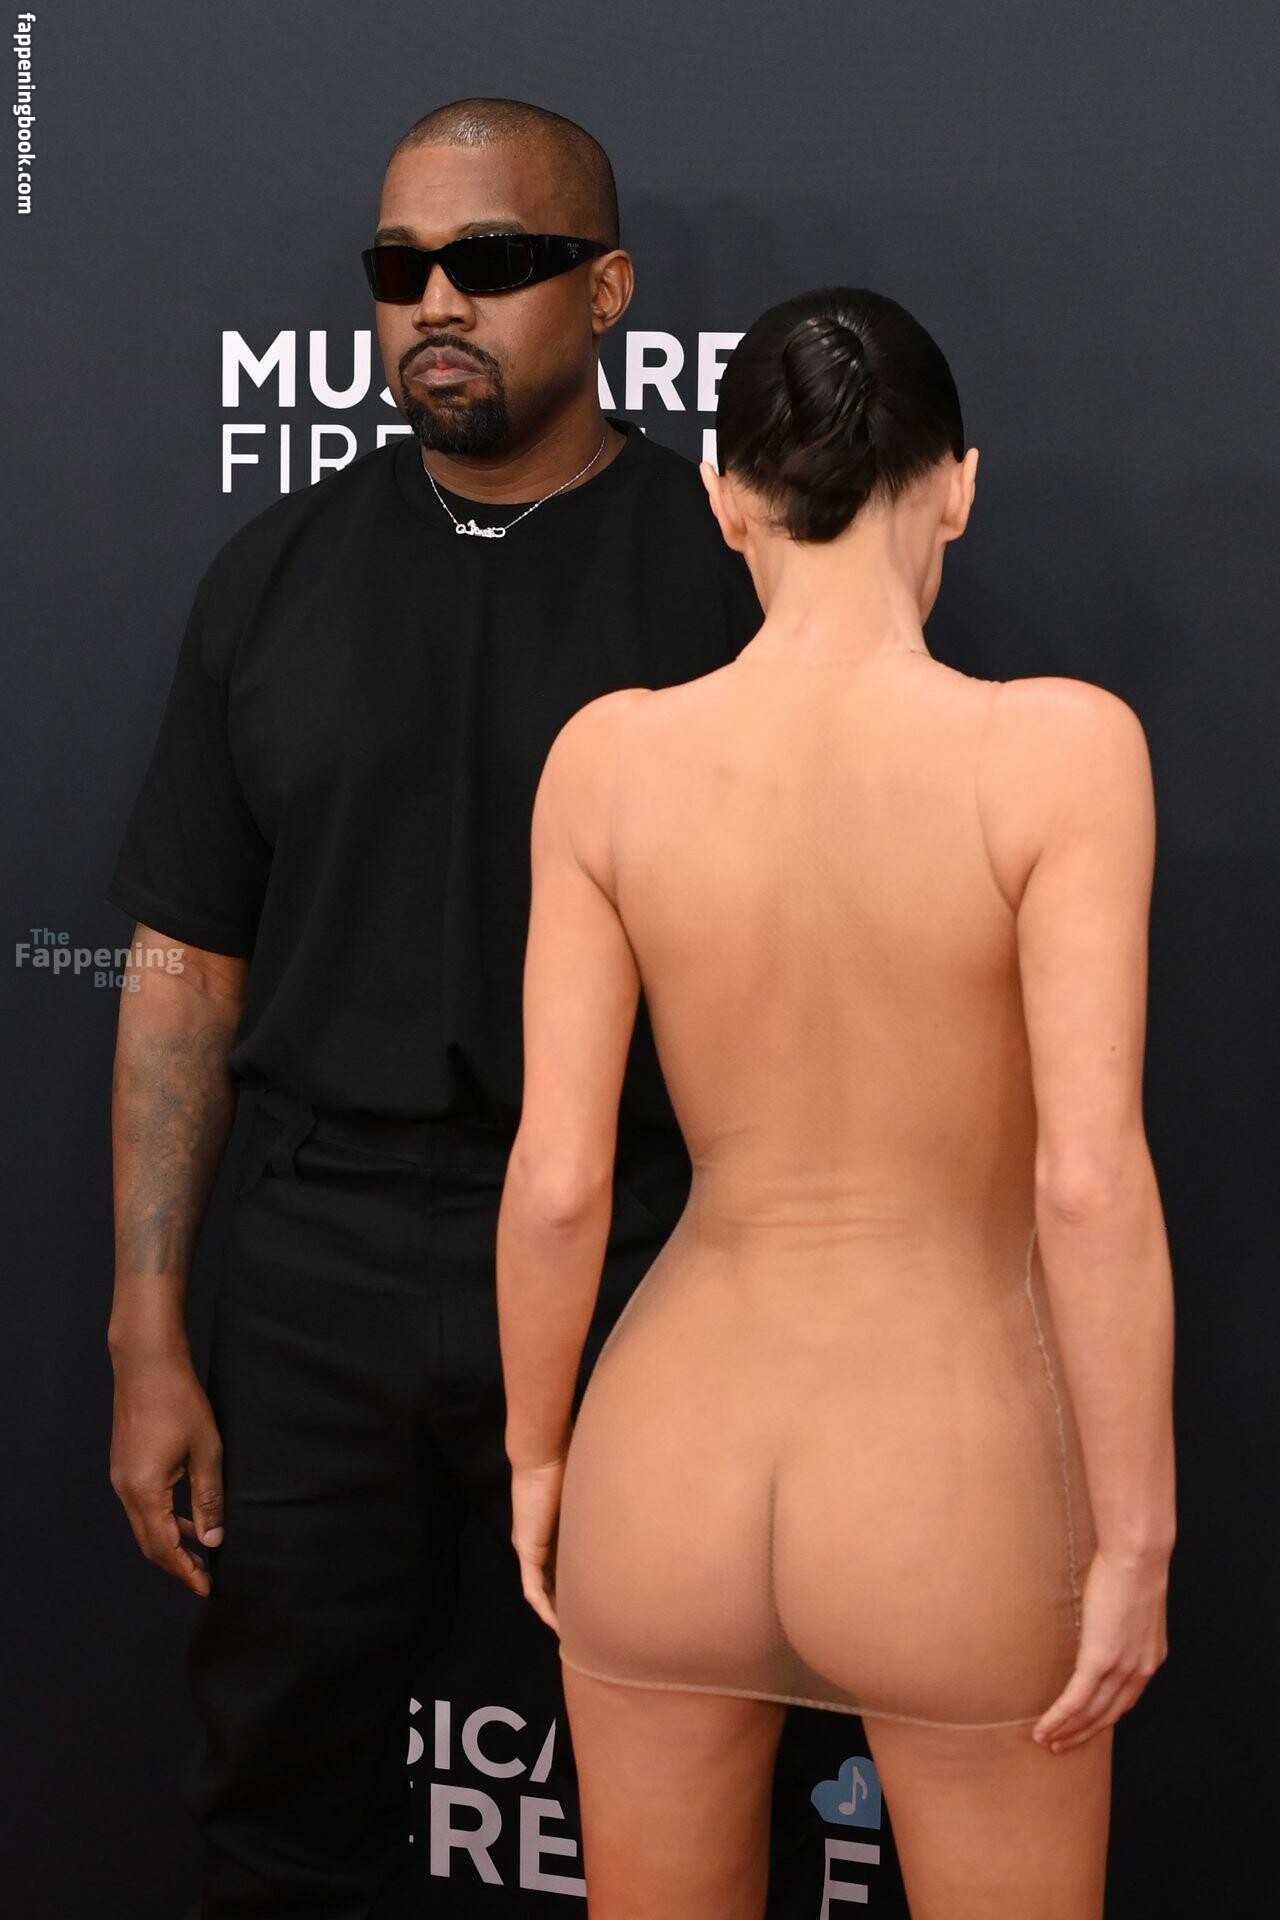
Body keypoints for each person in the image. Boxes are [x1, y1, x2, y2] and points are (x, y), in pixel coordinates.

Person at [104, 98, 761, 1917]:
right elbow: (184, 970)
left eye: (495, 260)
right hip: (313, 1263)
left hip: (643, 1259)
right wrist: (148, 1327)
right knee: (277, 1792)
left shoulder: (728, 576)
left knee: (699, 1784)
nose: (436, 302)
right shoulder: (275, 574)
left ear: (609, 289)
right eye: (399, 268)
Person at [496, 285, 1176, 1919]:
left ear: (725, 497)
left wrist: (536, 1457)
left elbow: (560, 1179)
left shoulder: (606, 762)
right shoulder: (1061, 756)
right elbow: (1088, 1182)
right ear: (958, 486)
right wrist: (1136, 1536)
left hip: (660, 1467)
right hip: (948, 1480)